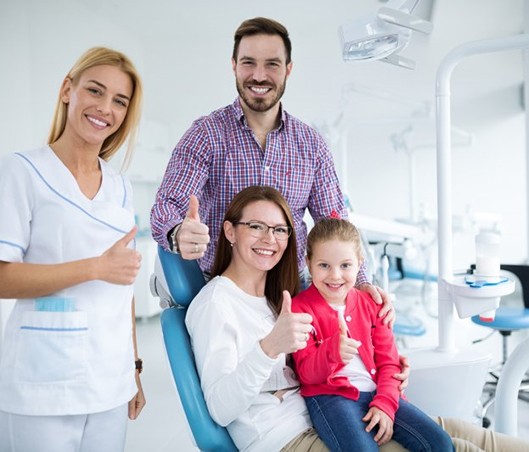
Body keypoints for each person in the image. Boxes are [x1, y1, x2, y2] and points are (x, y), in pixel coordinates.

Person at [186, 185, 529, 452]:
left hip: (348, 408)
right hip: (291, 435)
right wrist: (269, 347)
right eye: (256, 226)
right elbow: (219, 409)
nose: (270, 239)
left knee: (472, 438)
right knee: (460, 448)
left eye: (280, 229)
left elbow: (352, 323)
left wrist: (385, 370)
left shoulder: (276, 296)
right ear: (230, 232)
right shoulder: (216, 303)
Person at [150, 16, 389, 309]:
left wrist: (362, 282)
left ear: (288, 70)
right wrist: (178, 233)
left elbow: (335, 223)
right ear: (234, 65)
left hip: (292, 290)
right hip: (223, 291)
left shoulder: (312, 144)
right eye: (249, 62)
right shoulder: (205, 134)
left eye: (272, 64)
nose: (259, 76)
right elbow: (166, 207)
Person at [0, 47, 145, 452]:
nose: (105, 108)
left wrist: (133, 368)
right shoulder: (21, 171)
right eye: (95, 91)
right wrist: (96, 266)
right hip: (41, 383)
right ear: (68, 90)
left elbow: (124, 283)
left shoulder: (119, 186)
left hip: (110, 379)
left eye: (120, 101)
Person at [291, 218, 454, 451]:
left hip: (377, 391)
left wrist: (385, 404)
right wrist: (332, 351)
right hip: (331, 398)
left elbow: (389, 363)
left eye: (345, 265)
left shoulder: (373, 304)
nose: (335, 275)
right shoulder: (300, 308)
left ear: (360, 264)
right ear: (308, 263)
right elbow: (306, 374)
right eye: (324, 265)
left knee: (440, 443)